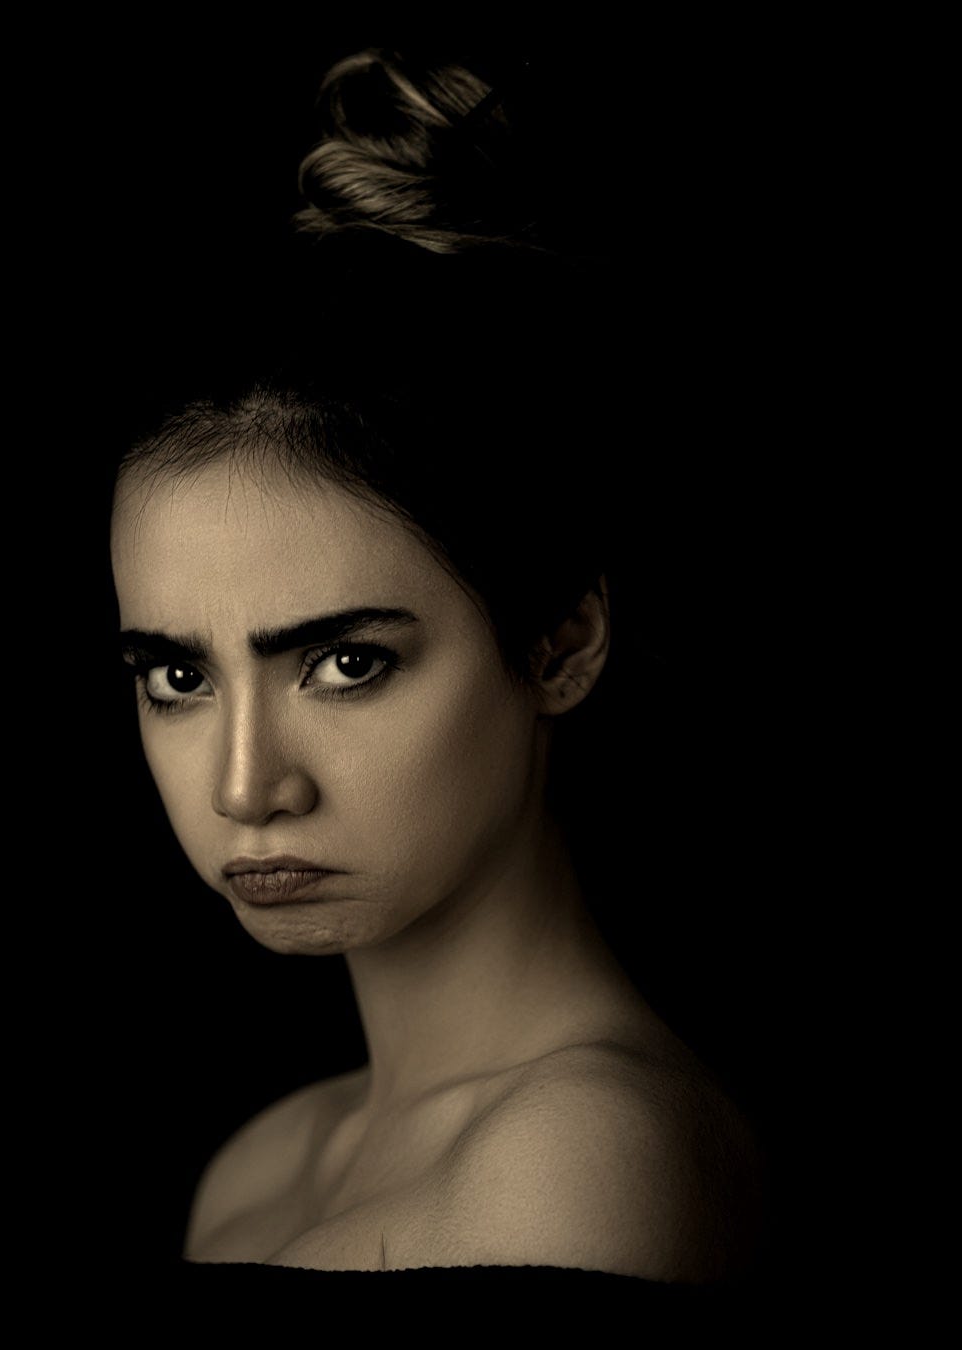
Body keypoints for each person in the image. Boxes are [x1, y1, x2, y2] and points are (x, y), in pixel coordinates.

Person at [109, 47, 764, 1280]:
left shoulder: (579, 1158)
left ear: (561, 643)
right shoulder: (258, 1166)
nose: (246, 788)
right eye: (180, 680)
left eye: (346, 663)